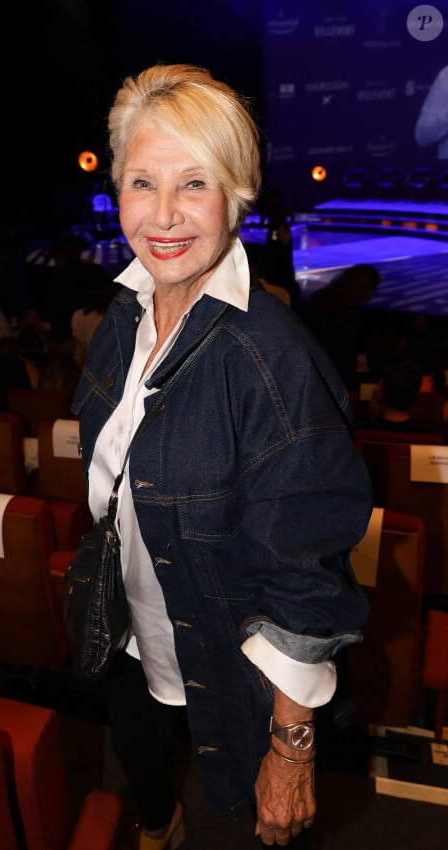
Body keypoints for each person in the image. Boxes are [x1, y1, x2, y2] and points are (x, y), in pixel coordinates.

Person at [71, 64, 371, 848]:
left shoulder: (272, 362)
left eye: (194, 183)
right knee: (142, 770)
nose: (164, 215)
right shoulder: (120, 315)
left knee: (250, 822)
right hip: (134, 641)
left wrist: (292, 746)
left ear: (236, 195)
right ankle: (154, 819)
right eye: (143, 182)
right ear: (118, 189)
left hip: (232, 671)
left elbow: (305, 584)